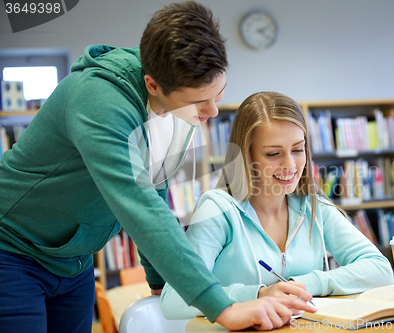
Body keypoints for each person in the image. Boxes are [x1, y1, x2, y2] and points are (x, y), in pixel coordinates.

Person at [0, 3, 314, 332]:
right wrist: (223, 307)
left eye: (218, 94)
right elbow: (138, 205)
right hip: (13, 249)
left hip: (74, 261)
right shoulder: (98, 101)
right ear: (153, 85)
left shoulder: (180, 102)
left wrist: (159, 283)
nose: (211, 112)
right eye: (197, 101)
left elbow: (156, 186)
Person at [160, 91, 394, 319]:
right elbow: (174, 299)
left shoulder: (313, 204)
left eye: (297, 149)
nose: (290, 165)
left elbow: (379, 269)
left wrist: (301, 285)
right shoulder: (218, 209)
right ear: (246, 156)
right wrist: (259, 295)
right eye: (273, 153)